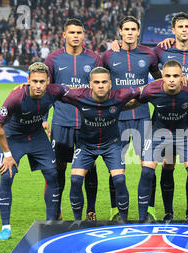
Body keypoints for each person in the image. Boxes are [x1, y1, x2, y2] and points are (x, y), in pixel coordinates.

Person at [59, 67, 142, 221]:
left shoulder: (120, 95)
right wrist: (28, 86)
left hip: (112, 145)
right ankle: (78, 222)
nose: (101, 85)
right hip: (86, 146)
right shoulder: (79, 95)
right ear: (90, 84)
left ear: (110, 84)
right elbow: (55, 90)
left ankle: (123, 220)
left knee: (120, 180)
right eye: (97, 82)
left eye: (104, 82)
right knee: (76, 180)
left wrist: (164, 81)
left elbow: (144, 89)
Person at [152, 12, 188, 221]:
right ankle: (168, 212)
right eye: (180, 27)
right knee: (168, 164)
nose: (184, 30)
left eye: (187, 26)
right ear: (173, 30)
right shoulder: (162, 51)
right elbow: (150, 67)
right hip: (167, 117)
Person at [0, 62, 63, 240]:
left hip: (37, 136)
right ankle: (6, 228)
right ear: (28, 81)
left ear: (48, 81)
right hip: (14, 138)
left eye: (42, 81)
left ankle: (50, 223)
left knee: (52, 174)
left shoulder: (54, 91)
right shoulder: (16, 97)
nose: (38, 85)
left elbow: (77, 93)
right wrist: (7, 155)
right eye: (34, 81)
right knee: (6, 176)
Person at [102, 16, 162, 222]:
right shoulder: (109, 56)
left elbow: (159, 81)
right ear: (120, 32)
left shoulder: (149, 54)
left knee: (149, 166)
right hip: (116, 120)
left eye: (133, 29)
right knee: (116, 169)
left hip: (143, 119)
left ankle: (150, 211)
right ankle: (116, 211)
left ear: (138, 32)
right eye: (125, 29)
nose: (129, 32)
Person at [43, 18, 103, 221]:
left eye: (79, 32)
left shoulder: (94, 59)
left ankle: (91, 210)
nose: (76, 36)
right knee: (59, 166)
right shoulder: (53, 59)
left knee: (90, 166)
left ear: (84, 35)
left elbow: (101, 89)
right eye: (72, 32)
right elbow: (46, 90)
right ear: (64, 35)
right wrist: (44, 117)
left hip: (87, 123)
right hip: (62, 122)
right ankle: (57, 209)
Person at [135, 60, 188, 222]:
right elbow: (134, 100)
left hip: (184, 133)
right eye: (168, 76)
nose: (172, 79)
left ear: (182, 77)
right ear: (161, 77)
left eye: (175, 76)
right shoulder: (151, 90)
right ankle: (144, 217)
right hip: (157, 133)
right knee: (146, 171)